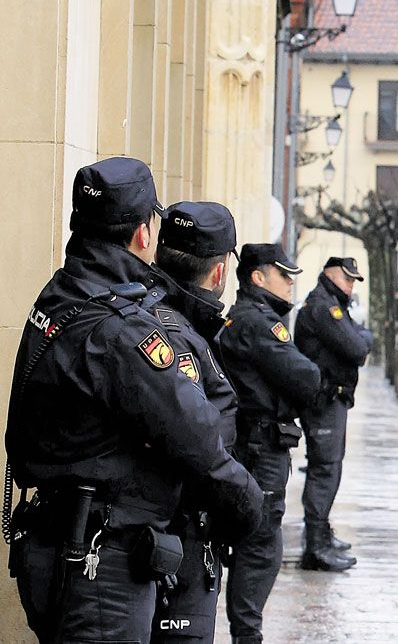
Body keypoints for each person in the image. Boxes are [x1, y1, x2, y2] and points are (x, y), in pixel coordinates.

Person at [5, 157, 263, 643]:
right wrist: (251, 510)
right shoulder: (123, 329)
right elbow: (198, 437)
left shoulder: (61, 293)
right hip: (102, 565)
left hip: (59, 542)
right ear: (144, 234)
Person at [148, 201, 242, 642]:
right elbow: (202, 442)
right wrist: (248, 505)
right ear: (220, 272)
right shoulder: (179, 333)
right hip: (176, 539)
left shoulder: (138, 312)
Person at [219, 243, 322, 643]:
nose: (291, 283)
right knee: (260, 546)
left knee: (259, 543)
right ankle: (248, 636)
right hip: (260, 448)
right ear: (258, 277)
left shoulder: (248, 318)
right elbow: (307, 378)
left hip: (256, 444)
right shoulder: (258, 322)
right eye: (284, 275)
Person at [294, 257, 373, 572]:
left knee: (328, 469)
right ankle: (315, 547)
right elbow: (357, 347)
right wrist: (359, 338)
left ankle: (321, 535)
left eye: (354, 280)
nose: (351, 285)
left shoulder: (333, 304)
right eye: (347, 278)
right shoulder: (324, 307)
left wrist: (360, 337)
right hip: (324, 399)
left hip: (333, 398)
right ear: (329, 274)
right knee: (324, 471)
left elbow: (360, 338)